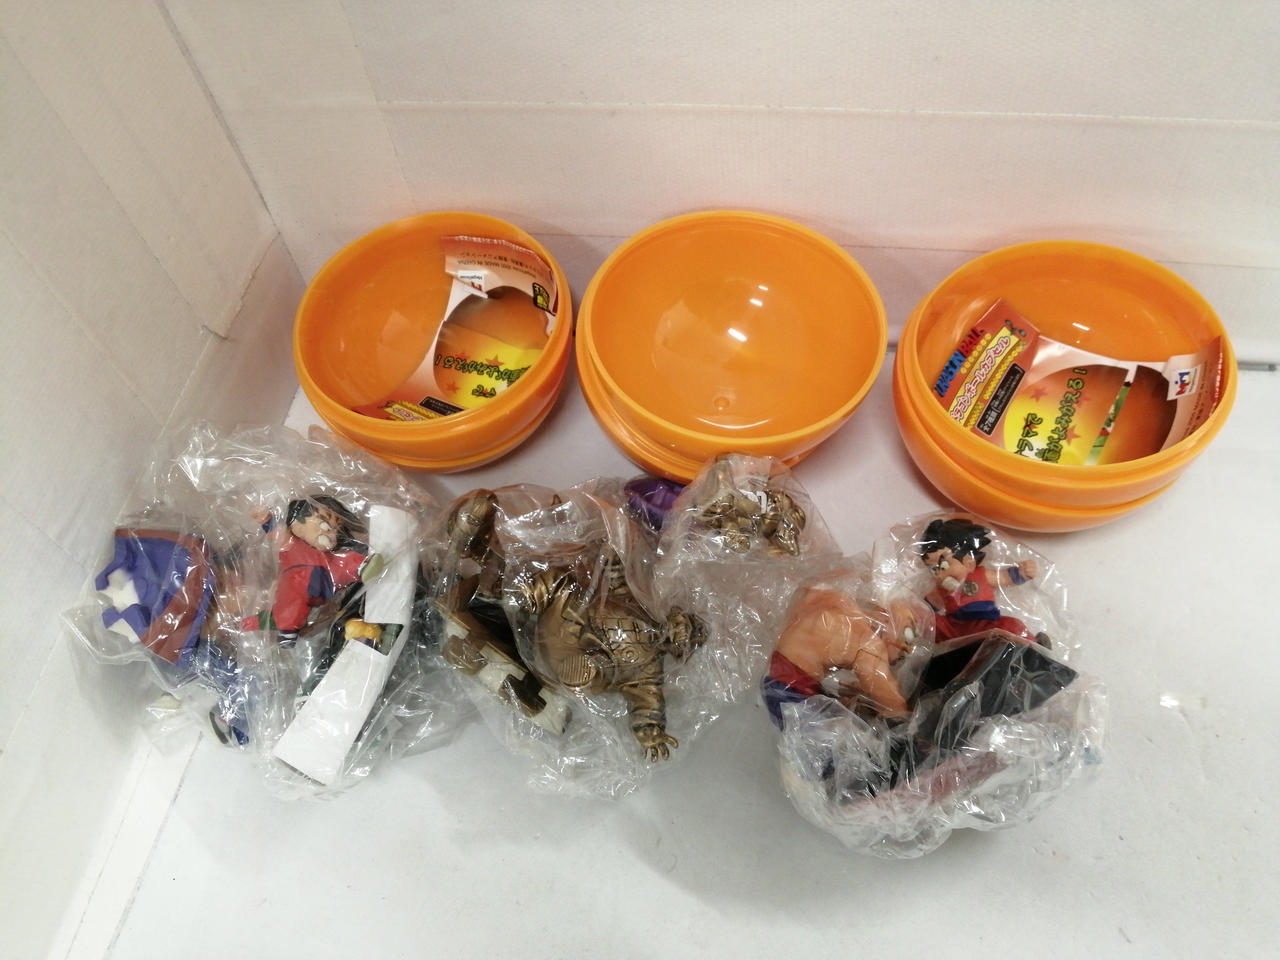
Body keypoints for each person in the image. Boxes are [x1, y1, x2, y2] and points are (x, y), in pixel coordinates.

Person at [917, 518, 1040, 644]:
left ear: (969, 562)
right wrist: (919, 614)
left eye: (943, 566)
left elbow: (1003, 578)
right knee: (935, 625)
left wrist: (1022, 573)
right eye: (934, 569)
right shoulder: (941, 589)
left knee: (1013, 626)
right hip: (956, 627)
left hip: (987, 624)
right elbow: (929, 606)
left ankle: (1034, 646)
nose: (939, 575)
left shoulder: (981, 575)